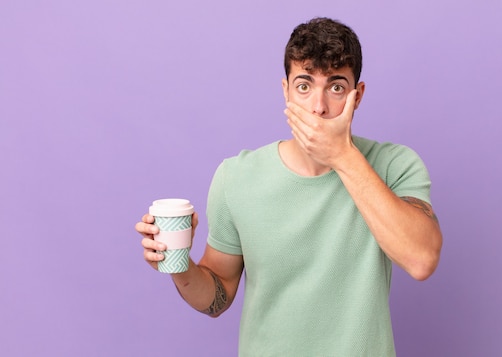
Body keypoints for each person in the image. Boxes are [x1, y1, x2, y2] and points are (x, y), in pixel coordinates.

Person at [136, 17, 442, 356]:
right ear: (286, 91)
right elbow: (217, 297)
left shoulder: (395, 165)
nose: (319, 107)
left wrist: (342, 155)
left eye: (336, 87)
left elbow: (421, 259)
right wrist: (179, 266)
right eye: (304, 86)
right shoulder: (236, 177)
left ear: (358, 96)